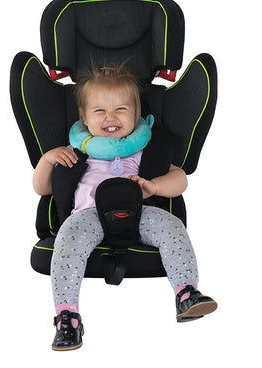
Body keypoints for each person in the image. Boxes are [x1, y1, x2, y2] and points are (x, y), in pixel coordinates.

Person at [32, 65, 217, 351]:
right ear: (83, 117)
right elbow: (42, 189)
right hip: (87, 216)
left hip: (138, 213)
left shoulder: (144, 150)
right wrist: (47, 160)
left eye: (121, 109)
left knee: (172, 226)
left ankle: (186, 292)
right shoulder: (74, 152)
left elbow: (180, 179)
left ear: (137, 113)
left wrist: (154, 186)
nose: (111, 117)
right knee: (67, 239)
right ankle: (67, 316)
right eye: (99, 111)